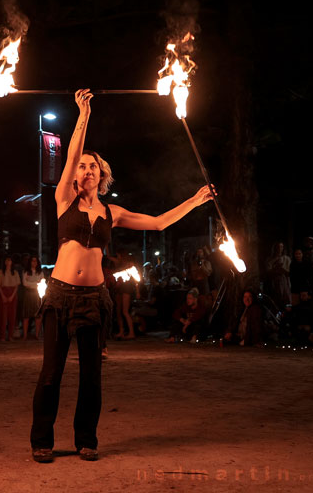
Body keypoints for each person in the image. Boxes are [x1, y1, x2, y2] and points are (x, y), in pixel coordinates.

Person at [30, 89, 213, 463]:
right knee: (51, 373)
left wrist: (195, 200)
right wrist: (83, 114)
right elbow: (70, 155)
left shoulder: (113, 212)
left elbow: (159, 222)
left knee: (92, 377)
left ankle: (86, 440)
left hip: (95, 300)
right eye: (82, 165)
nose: (86, 169)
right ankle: (42, 439)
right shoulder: (64, 199)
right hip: (60, 296)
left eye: (92, 166)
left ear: (102, 174)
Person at [0, 254, 21, 341]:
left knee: (12, 315)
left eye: (10, 260)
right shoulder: (0, 272)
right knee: (3, 315)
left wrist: (12, 296)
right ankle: (2, 335)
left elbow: (16, 286)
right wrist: (2, 295)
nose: (8, 262)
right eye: (7, 260)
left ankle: (10, 335)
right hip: (3, 292)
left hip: (12, 293)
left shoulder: (15, 272)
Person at [21, 256, 44, 340]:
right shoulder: (26, 271)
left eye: (35, 261)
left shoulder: (40, 272)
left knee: (37, 315)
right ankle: (25, 335)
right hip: (28, 294)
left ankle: (37, 335)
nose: (34, 263)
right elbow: (24, 283)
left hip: (36, 295)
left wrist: (31, 283)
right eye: (32, 261)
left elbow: (42, 282)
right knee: (26, 315)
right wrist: (35, 283)